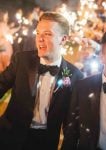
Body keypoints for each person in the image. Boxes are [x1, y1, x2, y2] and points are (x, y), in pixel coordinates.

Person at [0, 11, 83, 150]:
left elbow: (71, 123)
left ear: (63, 39)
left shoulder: (75, 76)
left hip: (44, 143)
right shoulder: (22, 60)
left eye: (48, 34)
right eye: (38, 33)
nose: (40, 38)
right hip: (9, 136)